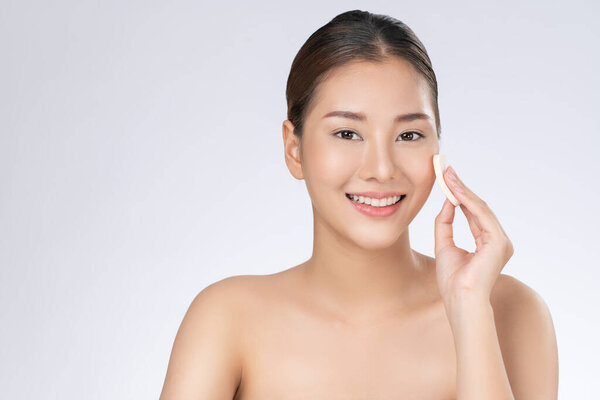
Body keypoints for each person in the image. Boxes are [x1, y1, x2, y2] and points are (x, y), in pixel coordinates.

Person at [160, 9, 558, 399]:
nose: (381, 169)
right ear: (294, 149)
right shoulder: (227, 320)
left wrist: (470, 308)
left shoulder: (512, 311)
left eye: (409, 136)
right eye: (348, 133)